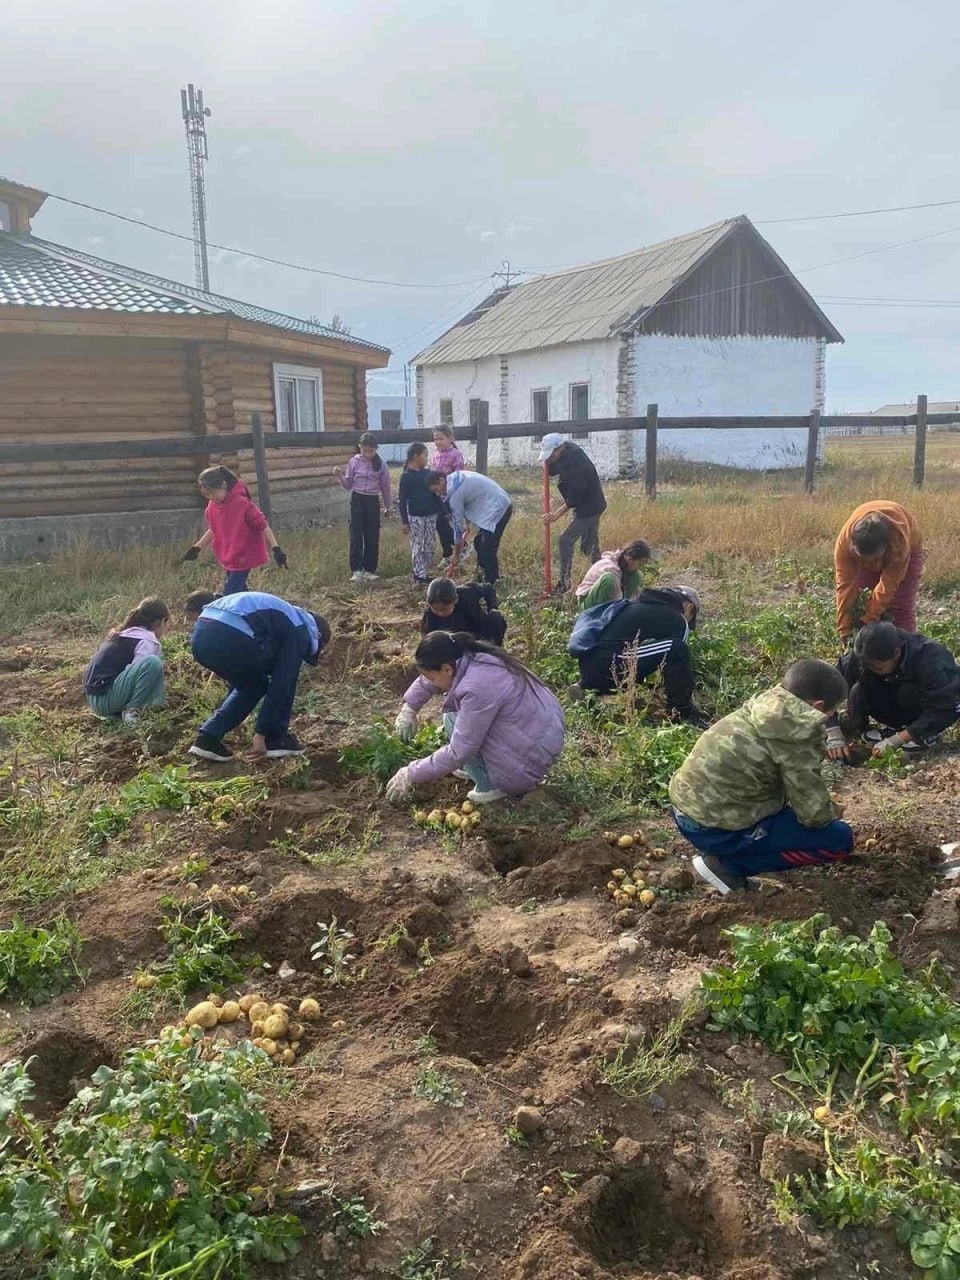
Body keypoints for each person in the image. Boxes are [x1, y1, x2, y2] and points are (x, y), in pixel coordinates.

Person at [669, 659, 854, 895]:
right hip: (713, 829)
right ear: (817, 706)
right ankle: (726, 866)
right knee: (839, 840)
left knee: (783, 810)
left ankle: (734, 848)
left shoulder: (765, 704)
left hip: (684, 809)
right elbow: (814, 815)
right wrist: (831, 810)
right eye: (831, 711)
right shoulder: (798, 732)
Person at [387, 631, 565, 805]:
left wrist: (411, 772)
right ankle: (481, 768)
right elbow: (431, 677)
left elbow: (459, 751)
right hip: (543, 735)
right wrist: (410, 708)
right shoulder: (474, 657)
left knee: (454, 720)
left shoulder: (477, 687)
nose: (432, 682)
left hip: (527, 762)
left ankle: (492, 784)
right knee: (453, 715)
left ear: (447, 669)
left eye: (432, 678)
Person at [188, 591, 330, 762]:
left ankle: (207, 738)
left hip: (200, 637)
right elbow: (282, 682)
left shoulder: (288, 616)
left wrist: (234, 715)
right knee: (286, 673)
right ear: (318, 636)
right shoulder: (301, 630)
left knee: (252, 685)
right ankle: (274, 738)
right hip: (229, 634)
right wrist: (262, 733)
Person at [825, 621, 960, 761]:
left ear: (896, 653)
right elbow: (826, 688)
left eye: (878, 667)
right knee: (858, 689)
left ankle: (921, 735)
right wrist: (833, 732)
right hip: (888, 705)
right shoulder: (862, 657)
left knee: (908, 691)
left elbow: (945, 707)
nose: (872, 669)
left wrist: (898, 739)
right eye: (867, 665)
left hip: (917, 707)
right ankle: (882, 729)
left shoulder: (930, 657)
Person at [568, 586, 703, 723]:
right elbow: (679, 664)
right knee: (677, 648)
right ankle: (681, 712)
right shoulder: (678, 618)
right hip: (611, 663)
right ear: (689, 607)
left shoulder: (640, 605)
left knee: (642, 650)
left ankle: (586, 687)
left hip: (590, 664)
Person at [182, 466, 287, 594]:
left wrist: (276, 549)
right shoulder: (213, 507)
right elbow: (214, 529)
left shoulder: (242, 504)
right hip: (230, 556)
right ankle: (252, 606)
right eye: (206, 495)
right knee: (240, 593)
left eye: (213, 492)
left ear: (223, 485)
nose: (211, 497)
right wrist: (196, 548)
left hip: (244, 555)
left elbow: (263, 525)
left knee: (230, 593)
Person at [834, 500, 923, 641]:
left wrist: (868, 619)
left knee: (899, 607)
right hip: (869, 551)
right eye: (865, 561)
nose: (872, 565)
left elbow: (889, 585)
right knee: (863, 602)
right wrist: (844, 630)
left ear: (886, 547)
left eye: (875, 559)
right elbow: (845, 587)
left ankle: (905, 647)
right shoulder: (844, 545)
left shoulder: (899, 542)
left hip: (909, 549)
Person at [83, 597, 171, 724]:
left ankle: (126, 711)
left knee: (153, 664)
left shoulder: (127, 633)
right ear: (163, 621)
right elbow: (140, 676)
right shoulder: (146, 640)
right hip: (104, 699)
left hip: (95, 698)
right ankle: (132, 712)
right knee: (153, 663)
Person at [539, 433, 607, 593]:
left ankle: (564, 583)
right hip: (586, 505)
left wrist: (555, 515)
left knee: (565, 540)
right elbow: (552, 469)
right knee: (588, 547)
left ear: (560, 448)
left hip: (590, 507)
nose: (550, 459)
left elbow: (575, 498)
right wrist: (546, 463)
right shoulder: (565, 451)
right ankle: (605, 574)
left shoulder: (576, 463)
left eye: (551, 455)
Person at [427, 470, 512, 585]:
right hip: (496, 502)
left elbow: (457, 530)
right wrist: (467, 523)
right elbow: (469, 497)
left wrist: (456, 555)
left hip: (498, 508)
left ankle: (492, 583)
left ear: (441, 481)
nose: (438, 494)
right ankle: (481, 577)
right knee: (478, 542)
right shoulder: (456, 478)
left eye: (436, 490)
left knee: (487, 549)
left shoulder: (455, 495)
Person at [335, 432, 392, 583]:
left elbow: (385, 487)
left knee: (372, 535)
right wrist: (340, 476)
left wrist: (388, 506)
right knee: (356, 535)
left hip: (372, 501)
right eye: (364, 450)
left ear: (376, 449)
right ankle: (357, 570)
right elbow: (348, 485)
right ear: (359, 447)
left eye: (371, 451)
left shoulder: (381, 464)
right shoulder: (353, 462)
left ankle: (369, 569)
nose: (367, 454)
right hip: (357, 499)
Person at [398, 444, 443, 583]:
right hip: (416, 517)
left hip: (431, 515)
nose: (426, 458)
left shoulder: (428, 473)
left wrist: (445, 512)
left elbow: (436, 495)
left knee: (430, 544)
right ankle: (419, 574)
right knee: (417, 545)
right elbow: (402, 500)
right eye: (425, 455)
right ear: (416, 456)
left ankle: (423, 569)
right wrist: (404, 521)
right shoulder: (406, 477)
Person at [421, 577, 507, 646]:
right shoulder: (429, 617)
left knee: (496, 617)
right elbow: (428, 642)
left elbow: (489, 589)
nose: (440, 613)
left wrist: (492, 607)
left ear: (456, 600)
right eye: (436, 610)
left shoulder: (468, 592)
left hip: (477, 631)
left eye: (444, 610)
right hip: (455, 643)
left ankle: (495, 652)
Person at [575, 541, 653, 611]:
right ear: (630, 559)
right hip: (587, 604)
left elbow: (635, 595)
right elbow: (617, 596)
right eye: (639, 564)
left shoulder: (625, 566)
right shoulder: (611, 568)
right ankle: (602, 614)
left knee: (636, 576)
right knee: (608, 579)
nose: (640, 567)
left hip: (610, 599)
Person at [431, 427, 466, 568]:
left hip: (451, 495)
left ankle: (461, 547)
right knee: (440, 525)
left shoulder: (455, 454)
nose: (438, 442)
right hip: (438, 496)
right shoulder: (435, 455)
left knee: (448, 523)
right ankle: (448, 553)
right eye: (435, 439)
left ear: (450, 438)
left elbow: (460, 475)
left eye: (441, 438)